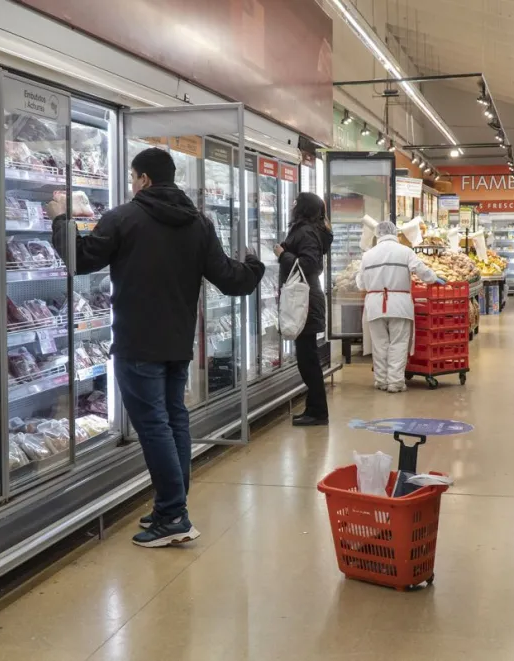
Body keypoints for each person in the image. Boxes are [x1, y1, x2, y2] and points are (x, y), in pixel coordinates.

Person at [49, 147, 264, 548]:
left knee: (153, 426)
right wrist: (255, 266)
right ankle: (172, 506)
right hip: (177, 343)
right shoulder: (198, 224)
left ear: (144, 179)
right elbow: (230, 279)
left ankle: (172, 514)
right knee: (173, 420)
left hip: (137, 342)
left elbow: (80, 260)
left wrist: (62, 219)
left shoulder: (123, 218)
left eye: (133, 178)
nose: (131, 185)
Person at [356, 221, 441, 392]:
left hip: (374, 305)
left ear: (378, 234)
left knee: (379, 344)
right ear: (395, 233)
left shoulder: (368, 255)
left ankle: (381, 380)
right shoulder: (405, 252)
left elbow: (361, 284)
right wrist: (434, 278)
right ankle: (395, 382)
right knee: (398, 343)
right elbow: (421, 271)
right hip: (400, 304)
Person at [274, 192, 333, 426]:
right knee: (307, 357)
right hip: (306, 298)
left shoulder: (306, 232)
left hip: (305, 300)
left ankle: (318, 411)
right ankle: (314, 408)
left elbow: (310, 264)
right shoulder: (311, 230)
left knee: (307, 359)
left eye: (296, 203)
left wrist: (283, 255)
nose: (292, 206)